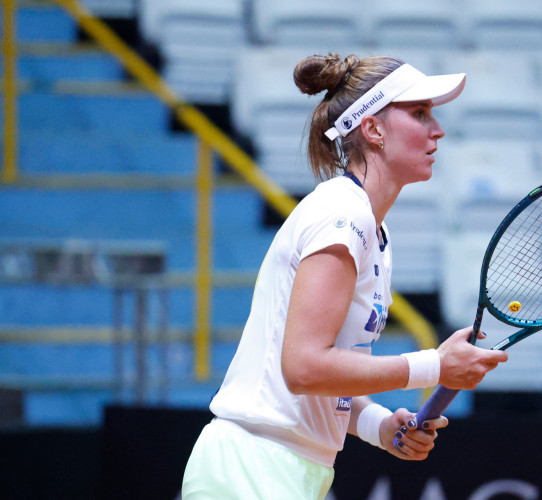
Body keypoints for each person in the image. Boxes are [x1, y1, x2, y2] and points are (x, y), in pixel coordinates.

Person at [182, 53, 508, 500]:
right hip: (253, 466)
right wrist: (435, 365)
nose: (438, 129)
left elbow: (327, 378)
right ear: (373, 130)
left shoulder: (373, 228)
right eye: (419, 113)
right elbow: (303, 368)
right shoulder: (341, 215)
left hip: (292, 468)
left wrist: (378, 426)